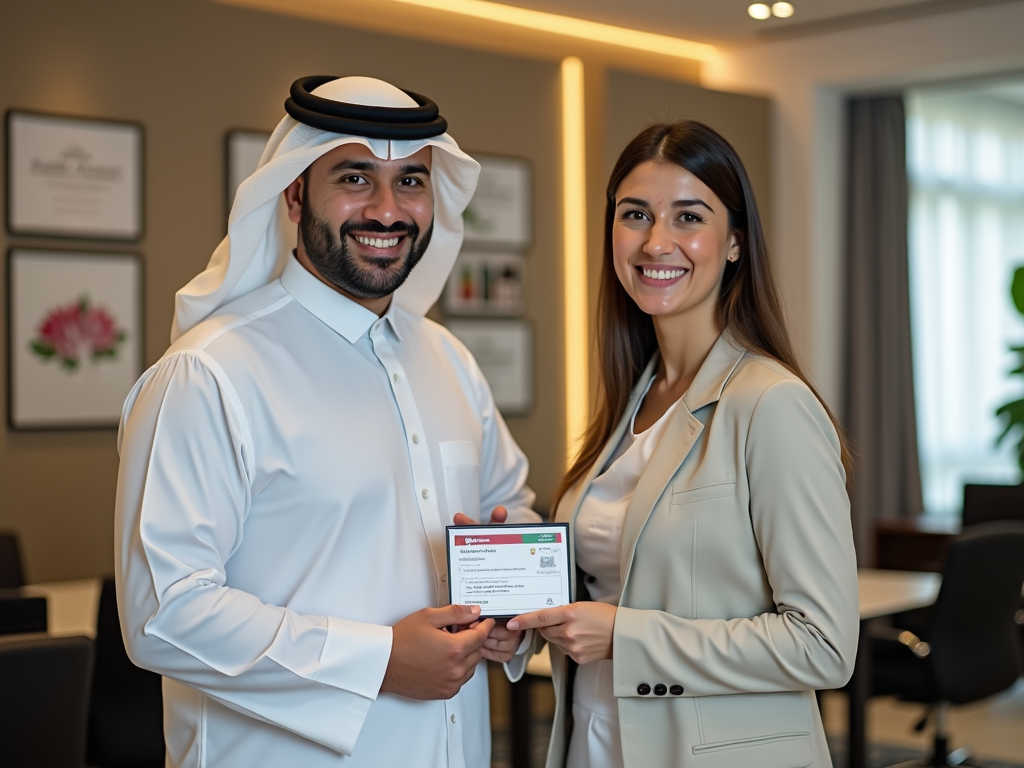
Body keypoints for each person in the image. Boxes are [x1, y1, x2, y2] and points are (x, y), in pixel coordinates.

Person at [114, 75, 537, 768]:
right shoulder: (210, 374)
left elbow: (509, 506)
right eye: (355, 177)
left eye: (411, 183)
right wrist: (379, 661)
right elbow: (165, 613)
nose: (387, 209)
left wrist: (507, 619)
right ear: (292, 193)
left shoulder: (451, 361)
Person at [507, 121, 859, 768]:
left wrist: (626, 637)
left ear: (734, 244)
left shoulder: (769, 403)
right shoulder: (631, 401)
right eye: (634, 214)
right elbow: (625, 574)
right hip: (597, 738)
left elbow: (823, 646)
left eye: (688, 217)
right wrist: (514, 567)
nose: (655, 241)